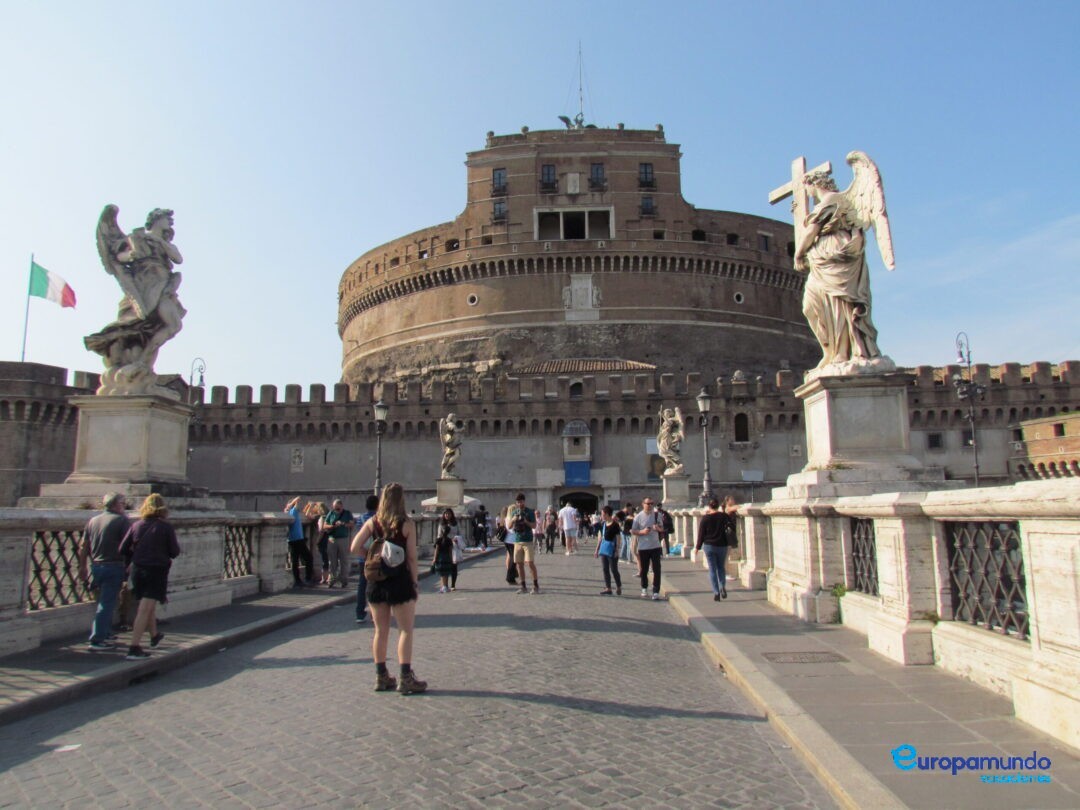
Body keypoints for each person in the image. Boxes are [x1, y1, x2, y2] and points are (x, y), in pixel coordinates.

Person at [350, 482, 427, 694]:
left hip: (376, 581)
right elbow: (411, 558)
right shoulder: (406, 524)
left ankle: (381, 677)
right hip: (400, 580)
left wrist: (374, 558)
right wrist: (415, 582)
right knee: (405, 630)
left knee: (380, 631)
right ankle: (405, 678)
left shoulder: (373, 522)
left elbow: (354, 547)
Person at [119, 494, 181, 660]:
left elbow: (123, 548)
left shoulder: (136, 525)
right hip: (156, 570)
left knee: (148, 604)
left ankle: (154, 635)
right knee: (145, 608)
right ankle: (134, 647)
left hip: (138, 570)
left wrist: (135, 558)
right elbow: (175, 551)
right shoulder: (165, 527)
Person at [77, 492, 131, 650]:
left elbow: (84, 546)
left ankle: (106, 632)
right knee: (107, 603)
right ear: (115, 505)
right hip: (114, 565)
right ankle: (98, 638)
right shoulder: (122, 521)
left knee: (105, 601)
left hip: (96, 565)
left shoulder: (93, 521)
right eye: (122, 503)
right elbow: (129, 545)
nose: (124, 506)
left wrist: (82, 566)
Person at [696, 496, 739, 600]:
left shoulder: (705, 518)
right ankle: (722, 586)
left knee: (712, 570)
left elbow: (701, 534)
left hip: (709, 546)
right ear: (718, 505)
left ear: (709, 506)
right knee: (721, 567)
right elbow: (732, 527)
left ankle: (716, 592)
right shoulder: (723, 516)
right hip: (722, 545)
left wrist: (697, 547)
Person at [506, 492, 539, 594]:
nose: (520, 504)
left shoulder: (529, 512)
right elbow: (509, 526)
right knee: (519, 564)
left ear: (524, 501)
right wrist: (513, 519)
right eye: (518, 502)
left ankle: (535, 585)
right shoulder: (514, 512)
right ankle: (523, 586)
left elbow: (534, 526)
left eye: (521, 502)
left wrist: (526, 521)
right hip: (517, 541)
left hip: (528, 540)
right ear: (516, 503)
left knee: (530, 563)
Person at [632, 496, 664, 600]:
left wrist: (657, 528)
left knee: (657, 569)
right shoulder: (638, 517)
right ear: (643, 504)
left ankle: (655, 591)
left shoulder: (657, 515)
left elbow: (662, 529)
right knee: (644, 570)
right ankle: (644, 587)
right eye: (648, 503)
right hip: (643, 547)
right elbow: (633, 531)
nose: (650, 505)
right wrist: (642, 532)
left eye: (651, 503)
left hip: (655, 546)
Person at [355, 494, 378, 623]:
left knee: (362, 585)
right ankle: (375, 613)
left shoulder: (361, 519)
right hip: (377, 557)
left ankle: (359, 613)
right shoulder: (379, 519)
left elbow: (359, 538)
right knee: (376, 584)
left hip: (363, 556)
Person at [322, 499, 355, 588]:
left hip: (343, 539)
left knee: (343, 560)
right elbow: (324, 525)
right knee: (332, 561)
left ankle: (343, 580)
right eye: (335, 508)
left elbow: (352, 524)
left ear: (341, 506)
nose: (336, 510)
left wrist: (343, 524)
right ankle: (332, 580)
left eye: (338, 508)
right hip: (332, 539)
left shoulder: (347, 513)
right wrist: (333, 526)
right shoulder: (331, 513)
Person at [285, 496, 315, 588]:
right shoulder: (293, 511)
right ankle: (307, 578)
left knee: (295, 561)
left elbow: (303, 511)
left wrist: (309, 506)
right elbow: (296, 503)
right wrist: (296, 499)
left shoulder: (289, 512)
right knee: (308, 558)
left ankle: (298, 580)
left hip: (293, 539)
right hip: (298, 539)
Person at [595, 506, 623, 596]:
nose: (601, 516)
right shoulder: (603, 524)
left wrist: (617, 550)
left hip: (612, 549)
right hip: (604, 549)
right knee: (605, 569)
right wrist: (597, 550)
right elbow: (600, 538)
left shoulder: (615, 525)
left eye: (602, 514)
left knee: (614, 569)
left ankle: (618, 586)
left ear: (607, 514)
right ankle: (608, 588)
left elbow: (618, 538)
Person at [433, 508, 460, 593]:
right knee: (445, 566)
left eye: (449, 514)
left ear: (452, 514)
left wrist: (456, 539)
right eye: (446, 514)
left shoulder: (455, 524)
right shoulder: (441, 524)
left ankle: (452, 584)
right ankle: (445, 585)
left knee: (453, 565)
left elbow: (459, 534)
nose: (447, 515)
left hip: (454, 546)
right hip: (444, 545)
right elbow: (439, 535)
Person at [496, 517, 515, 585]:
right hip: (512, 540)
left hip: (506, 539)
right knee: (513, 558)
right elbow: (512, 529)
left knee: (510, 556)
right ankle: (510, 576)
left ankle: (511, 573)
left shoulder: (505, 518)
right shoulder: (512, 519)